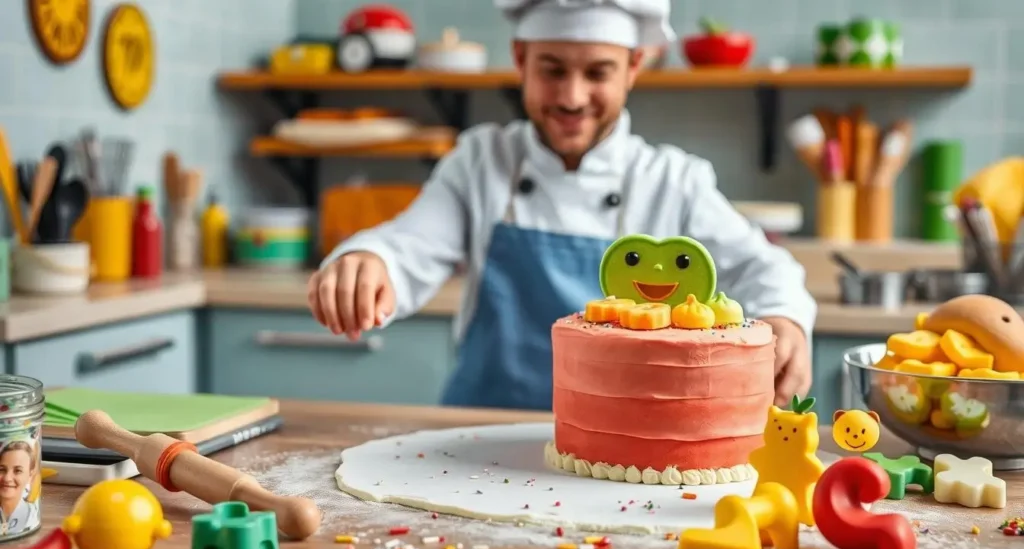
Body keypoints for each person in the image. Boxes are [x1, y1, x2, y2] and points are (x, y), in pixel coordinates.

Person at [309, 0, 817, 411]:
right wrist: (368, 260)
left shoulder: (672, 179)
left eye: (598, 73)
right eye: (552, 70)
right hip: (482, 438)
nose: (573, 98)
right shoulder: (482, 161)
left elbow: (763, 267)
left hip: (623, 448)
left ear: (634, 67)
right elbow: (409, 245)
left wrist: (786, 320)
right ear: (520, 58)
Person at [0, 441, 37, 535]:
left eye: (18, 471)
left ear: (30, 476)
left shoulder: (32, 516)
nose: (7, 478)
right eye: (2, 469)